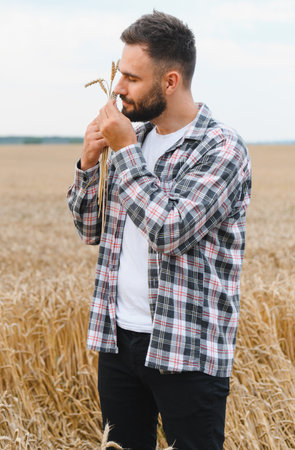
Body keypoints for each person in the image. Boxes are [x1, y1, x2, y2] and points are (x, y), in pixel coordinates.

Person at [67, 10, 251, 450]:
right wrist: (89, 165)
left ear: (169, 81)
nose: (118, 87)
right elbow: (90, 230)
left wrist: (125, 150)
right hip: (118, 339)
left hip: (187, 350)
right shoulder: (138, 138)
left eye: (131, 77)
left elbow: (169, 229)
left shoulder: (221, 148)